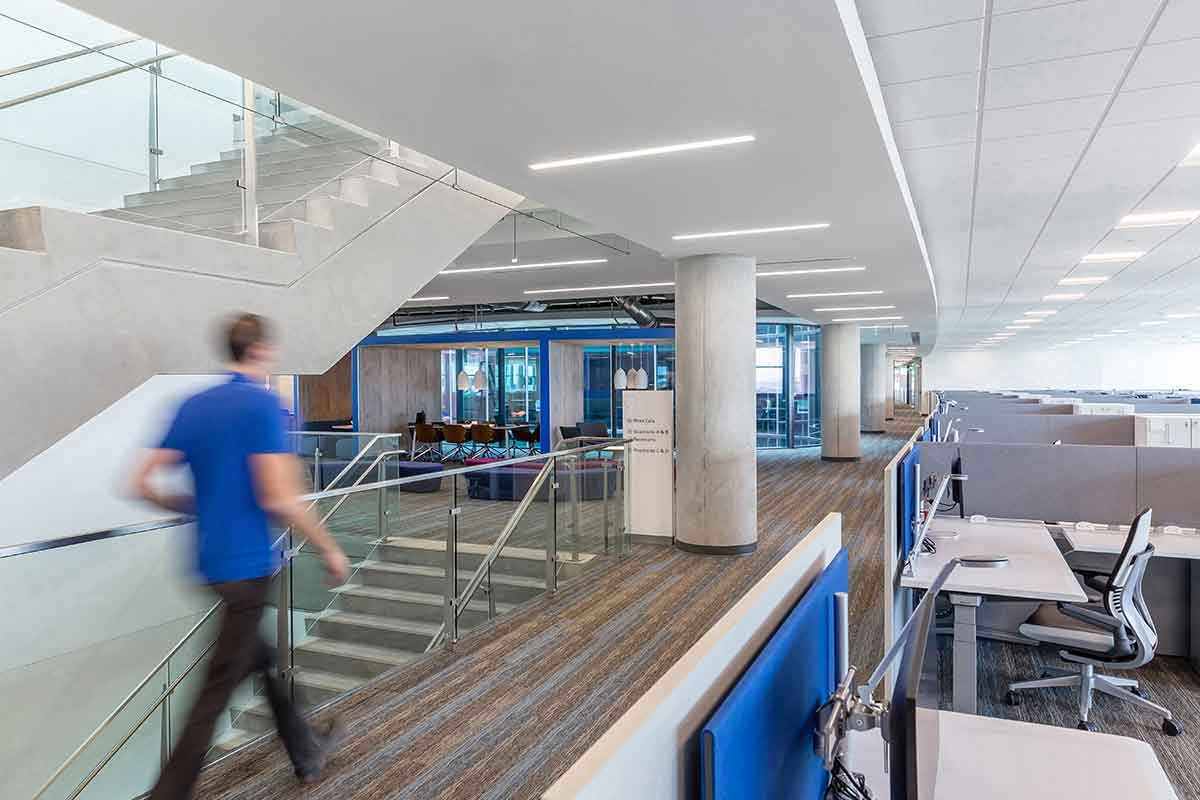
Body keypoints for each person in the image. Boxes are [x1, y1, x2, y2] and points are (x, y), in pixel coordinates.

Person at [131, 312, 351, 798]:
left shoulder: (194, 405)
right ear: (261, 351)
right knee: (216, 689)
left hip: (208, 563)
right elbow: (277, 497)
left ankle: (307, 749)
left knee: (260, 657)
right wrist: (329, 547)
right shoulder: (259, 406)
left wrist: (189, 503)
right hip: (246, 566)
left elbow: (140, 481)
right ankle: (171, 791)